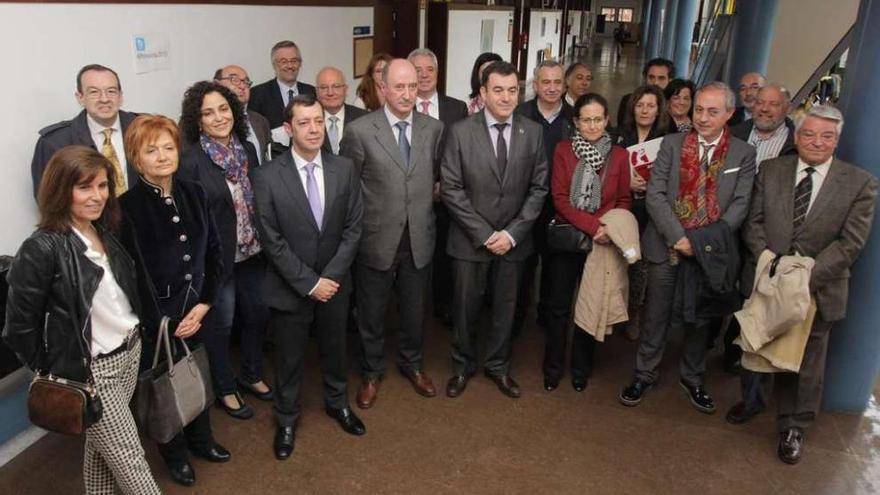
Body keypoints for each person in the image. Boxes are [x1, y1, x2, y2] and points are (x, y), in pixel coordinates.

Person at [725, 105, 878, 465]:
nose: (817, 142)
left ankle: (794, 426)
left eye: (827, 136)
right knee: (756, 341)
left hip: (816, 286)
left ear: (837, 140)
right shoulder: (771, 169)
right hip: (766, 276)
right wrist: (769, 263)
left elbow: (850, 243)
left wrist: (803, 277)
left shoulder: (860, 184)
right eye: (809, 134)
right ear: (797, 136)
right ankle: (752, 401)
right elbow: (754, 221)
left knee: (807, 360)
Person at [4, 146, 161, 494]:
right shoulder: (42, 248)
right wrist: (61, 369)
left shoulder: (102, 229)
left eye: (103, 186)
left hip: (129, 353)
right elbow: (18, 329)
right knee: (130, 457)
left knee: (100, 449)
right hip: (94, 372)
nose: (97, 196)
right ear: (62, 190)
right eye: (84, 187)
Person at [618, 81, 756, 414]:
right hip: (666, 243)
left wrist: (700, 243)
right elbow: (656, 194)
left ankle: (693, 378)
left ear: (729, 114)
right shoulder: (671, 143)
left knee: (700, 317)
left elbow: (739, 205)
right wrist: (678, 238)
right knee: (656, 313)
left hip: (710, 250)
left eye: (712, 111)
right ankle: (644, 373)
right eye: (699, 110)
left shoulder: (743, 154)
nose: (703, 118)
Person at [253, 94, 366, 461]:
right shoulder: (267, 176)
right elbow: (271, 240)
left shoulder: (344, 168)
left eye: (318, 120)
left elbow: (353, 228)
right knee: (288, 358)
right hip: (291, 287)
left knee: (336, 350)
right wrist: (309, 283)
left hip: (335, 284)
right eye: (304, 122)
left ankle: (338, 404)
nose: (313, 128)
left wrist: (329, 278)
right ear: (288, 129)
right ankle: (286, 418)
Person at [119, 114, 230, 487]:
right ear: (137, 158)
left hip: (199, 309)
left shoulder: (194, 192)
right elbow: (134, 277)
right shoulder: (126, 208)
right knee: (166, 387)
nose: (163, 156)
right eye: (152, 150)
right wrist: (161, 321)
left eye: (168, 147)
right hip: (161, 321)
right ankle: (175, 453)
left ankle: (202, 440)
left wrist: (205, 304)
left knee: (199, 375)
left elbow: (215, 252)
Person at [340, 59, 445, 409]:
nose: (406, 94)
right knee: (371, 311)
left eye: (412, 86)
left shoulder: (434, 128)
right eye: (399, 86)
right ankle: (371, 372)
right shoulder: (359, 131)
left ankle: (413, 364)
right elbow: (349, 189)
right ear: (383, 87)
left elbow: (436, 179)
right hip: (375, 238)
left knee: (415, 311)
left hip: (419, 237)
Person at [441, 61, 549, 399]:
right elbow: (451, 188)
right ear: (483, 93)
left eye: (512, 90)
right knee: (465, 309)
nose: (506, 97)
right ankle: (462, 366)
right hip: (470, 242)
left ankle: (498, 366)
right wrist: (485, 234)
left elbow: (538, 188)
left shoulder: (532, 132)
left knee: (506, 309)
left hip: (514, 243)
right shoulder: (460, 131)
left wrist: (512, 234)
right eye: (498, 90)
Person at [178, 81, 271, 420]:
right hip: (218, 261)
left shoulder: (245, 148)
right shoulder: (190, 160)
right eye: (208, 112)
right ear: (197, 120)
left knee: (258, 314)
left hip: (253, 251)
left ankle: (251, 373)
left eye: (223, 109)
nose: (218, 117)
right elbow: (191, 220)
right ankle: (225, 387)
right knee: (222, 324)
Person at [542, 93, 631, 392]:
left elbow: (623, 199)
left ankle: (581, 367)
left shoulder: (619, 155)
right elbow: (560, 199)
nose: (592, 126)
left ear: (607, 120)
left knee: (590, 305)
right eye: (585, 120)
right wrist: (594, 227)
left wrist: (608, 230)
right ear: (576, 122)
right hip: (569, 239)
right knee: (558, 306)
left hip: (603, 243)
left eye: (597, 119)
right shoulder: (563, 150)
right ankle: (553, 367)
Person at [407, 48, 469, 325]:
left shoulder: (457, 108)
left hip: (447, 197)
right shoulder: (400, 106)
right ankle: (412, 309)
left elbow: (464, 152)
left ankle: (443, 304)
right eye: (416, 70)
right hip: (409, 199)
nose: (423, 76)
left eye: (428, 70)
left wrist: (446, 184)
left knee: (445, 254)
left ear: (437, 73)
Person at [514, 59, 576, 330]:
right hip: (524, 206)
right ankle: (516, 317)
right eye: (546, 82)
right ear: (535, 85)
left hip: (560, 209)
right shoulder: (520, 115)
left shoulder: (575, 119)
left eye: (557, 82)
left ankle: (546, 317)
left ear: (564, 85)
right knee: (522, 267)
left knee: (554, 269)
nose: (552, 88)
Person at [31, 64, 137, 197]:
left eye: (111, 91)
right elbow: (48, 200)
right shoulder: (55, 144)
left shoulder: (144, 129)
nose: (104, 99)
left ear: (120, 96)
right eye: (94, 92)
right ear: (80, 97)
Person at [617, 85, 669, 340]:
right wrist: (625, 182)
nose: (645, 110)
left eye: (650, 105)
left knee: (641, 266)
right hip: (622, 207)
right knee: (618, 262)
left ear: (659, 109)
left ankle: (633, 314)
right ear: (632, 108)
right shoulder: (618, 135)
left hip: (650, 212)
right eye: (640, 105)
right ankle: (613, 311)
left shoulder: (667, 140)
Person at [249, 40, 317, 129]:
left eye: (294, 61)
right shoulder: (257, 94)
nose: (290, 66)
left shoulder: (312, 92)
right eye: (284, 61)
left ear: (300, 63)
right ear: (274, 65)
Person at [215, 64, 272, 164]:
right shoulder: (206, 121)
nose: (242, 86)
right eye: (234, 80)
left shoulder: (260, 121)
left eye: (246, 82)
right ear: (217, 85)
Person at [731, 84, 796, 167]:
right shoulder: (732, 135)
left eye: (774, 104)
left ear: (788, 109)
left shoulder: (798, 142)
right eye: (759, 103)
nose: (764, 109)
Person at [315, 66, 367, 155]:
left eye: (336, 86)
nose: (330, 93)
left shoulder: (364, 119)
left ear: (345, 90)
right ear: (316, 91)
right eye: (324, 88)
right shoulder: (309, 121)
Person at [616, 58, 674, 127]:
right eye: (651, 77)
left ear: (670, 80)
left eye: (661, 78)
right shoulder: (628, 101)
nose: (655, 82)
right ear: (645, 78)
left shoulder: (674, 105)